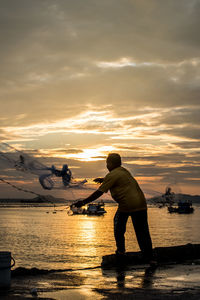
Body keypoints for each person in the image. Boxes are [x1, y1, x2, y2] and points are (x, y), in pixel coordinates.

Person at [72, 153, 155, 265]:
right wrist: (104, 179)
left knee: (118, 228)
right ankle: (150, 259)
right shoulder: (123, 171)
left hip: (127, 205)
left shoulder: (112, 175)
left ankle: (121, 252)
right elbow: (117, 179)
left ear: (110, 163)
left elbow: (98, 193)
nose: (106, 165)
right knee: (143, 232)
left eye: (107, 163)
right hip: (141, 203)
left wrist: (83, 202)